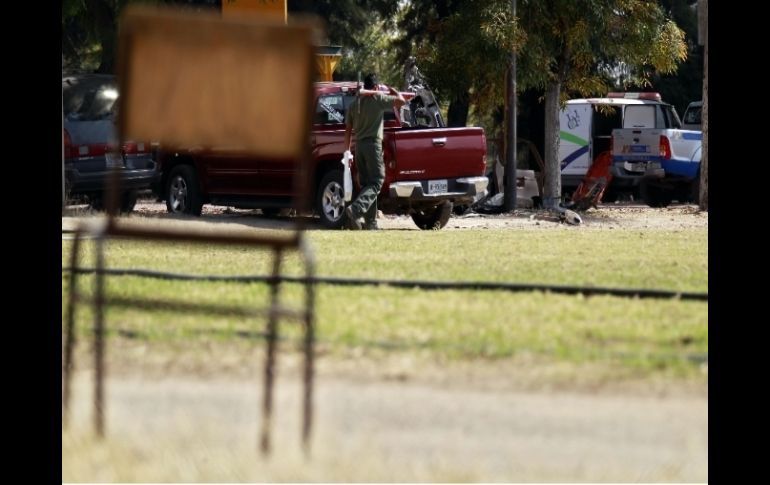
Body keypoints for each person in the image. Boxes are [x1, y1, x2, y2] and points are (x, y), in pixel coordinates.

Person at [344, 73, 406, 230]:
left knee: (367, 185)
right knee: (377, 181)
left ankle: (371, 223)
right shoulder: (377, 99)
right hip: (373, 145)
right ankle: (357, 209)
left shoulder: (354, 104)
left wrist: (346, 152)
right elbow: (401, 101)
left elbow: (348, 131)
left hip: (359, 148)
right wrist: (393, 91)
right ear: (376, 87)